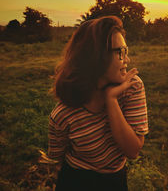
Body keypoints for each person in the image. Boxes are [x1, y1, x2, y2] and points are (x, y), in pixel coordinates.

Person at [48, 16, 148, 191]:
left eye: (126, 51)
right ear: (95, 56)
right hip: (75, 180)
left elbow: (133, 150)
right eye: (120, 52)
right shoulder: (63, 114)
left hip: (115, 179)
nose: (127, 60)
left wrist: (111, 100)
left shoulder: (132, 88)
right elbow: (56, 158)